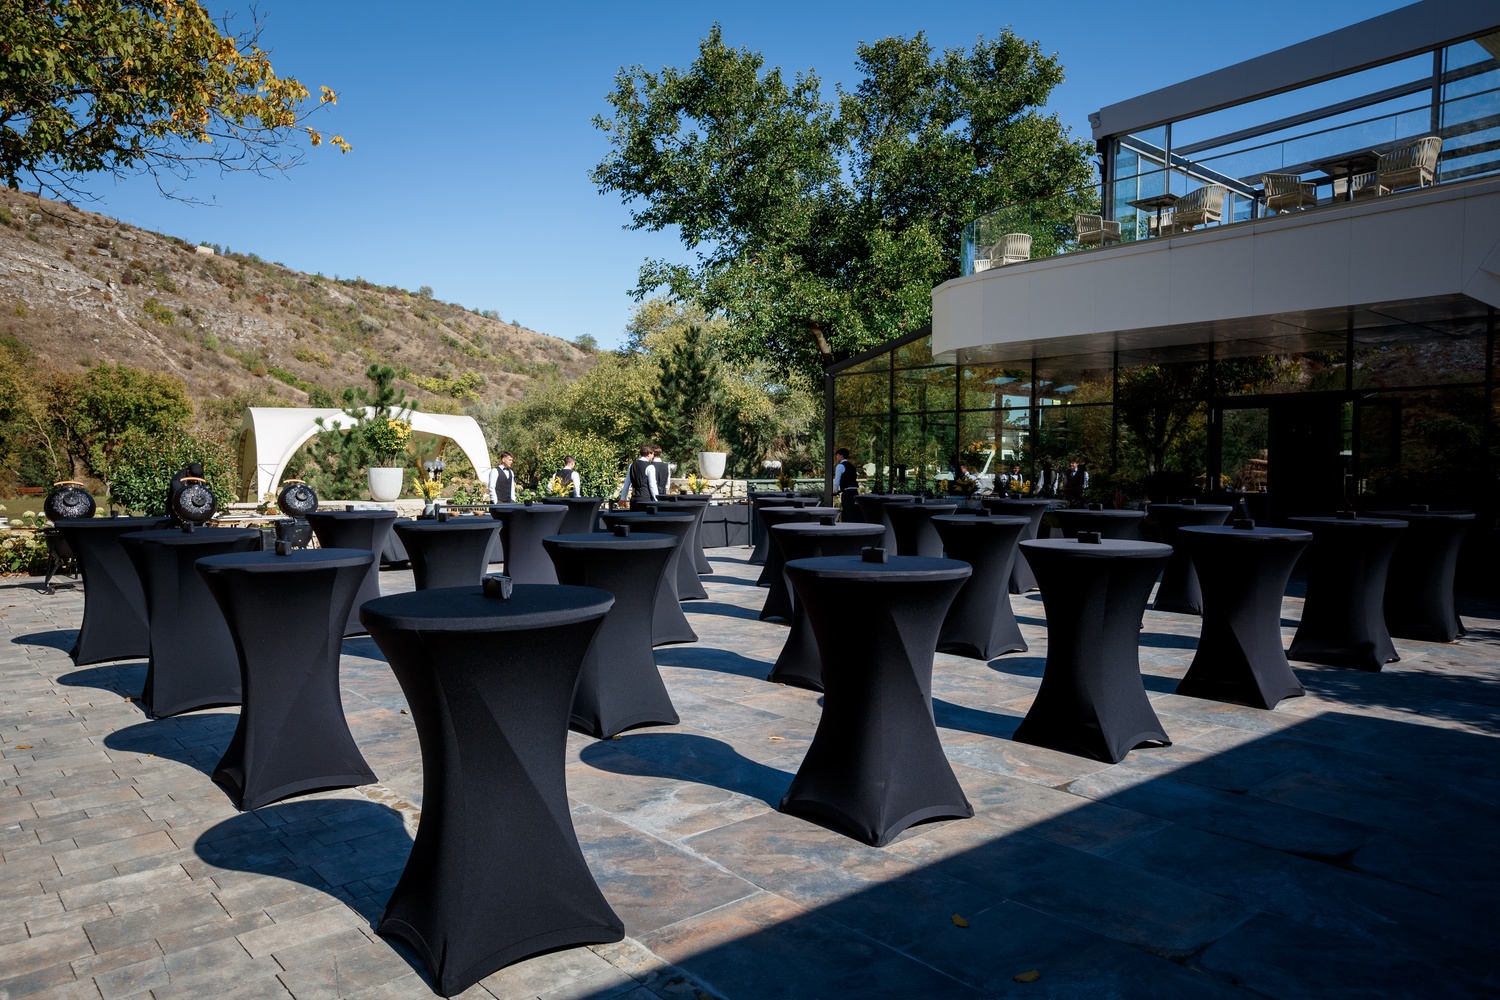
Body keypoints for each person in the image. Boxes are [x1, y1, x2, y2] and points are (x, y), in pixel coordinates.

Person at [833, 447, 860, 517]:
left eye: (837, 455)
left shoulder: (840, 466)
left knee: (846, 511)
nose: (836, 457)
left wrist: (835, 491)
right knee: (853, 511)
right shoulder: (852, 466)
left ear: (841, 456)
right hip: (855, 491)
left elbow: (837, 481)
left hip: (847, 492)